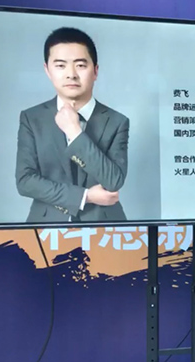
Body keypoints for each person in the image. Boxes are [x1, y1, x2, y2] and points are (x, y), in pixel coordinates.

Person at [15, 26, 129, 223]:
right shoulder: (32, 118)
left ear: (95, 71)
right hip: (45, 226)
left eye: (80, 65)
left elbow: (114, 181)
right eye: (60, 65)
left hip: (105, 228)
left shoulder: (117, 121)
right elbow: (25, 181)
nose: (71, 74)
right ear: (47, 70)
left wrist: (74, 132)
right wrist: (85, 196)